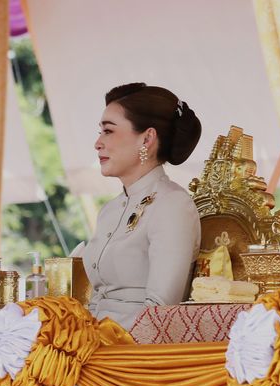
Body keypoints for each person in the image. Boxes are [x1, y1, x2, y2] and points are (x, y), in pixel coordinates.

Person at [81, 83, 202, 329]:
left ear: (147, 138)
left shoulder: (172, 204)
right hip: (94, 345)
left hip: (134, 355)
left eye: (108, 131)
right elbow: (96, 300)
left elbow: (159, 312)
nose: (97, 143)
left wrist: (96, 340)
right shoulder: (110, 210)